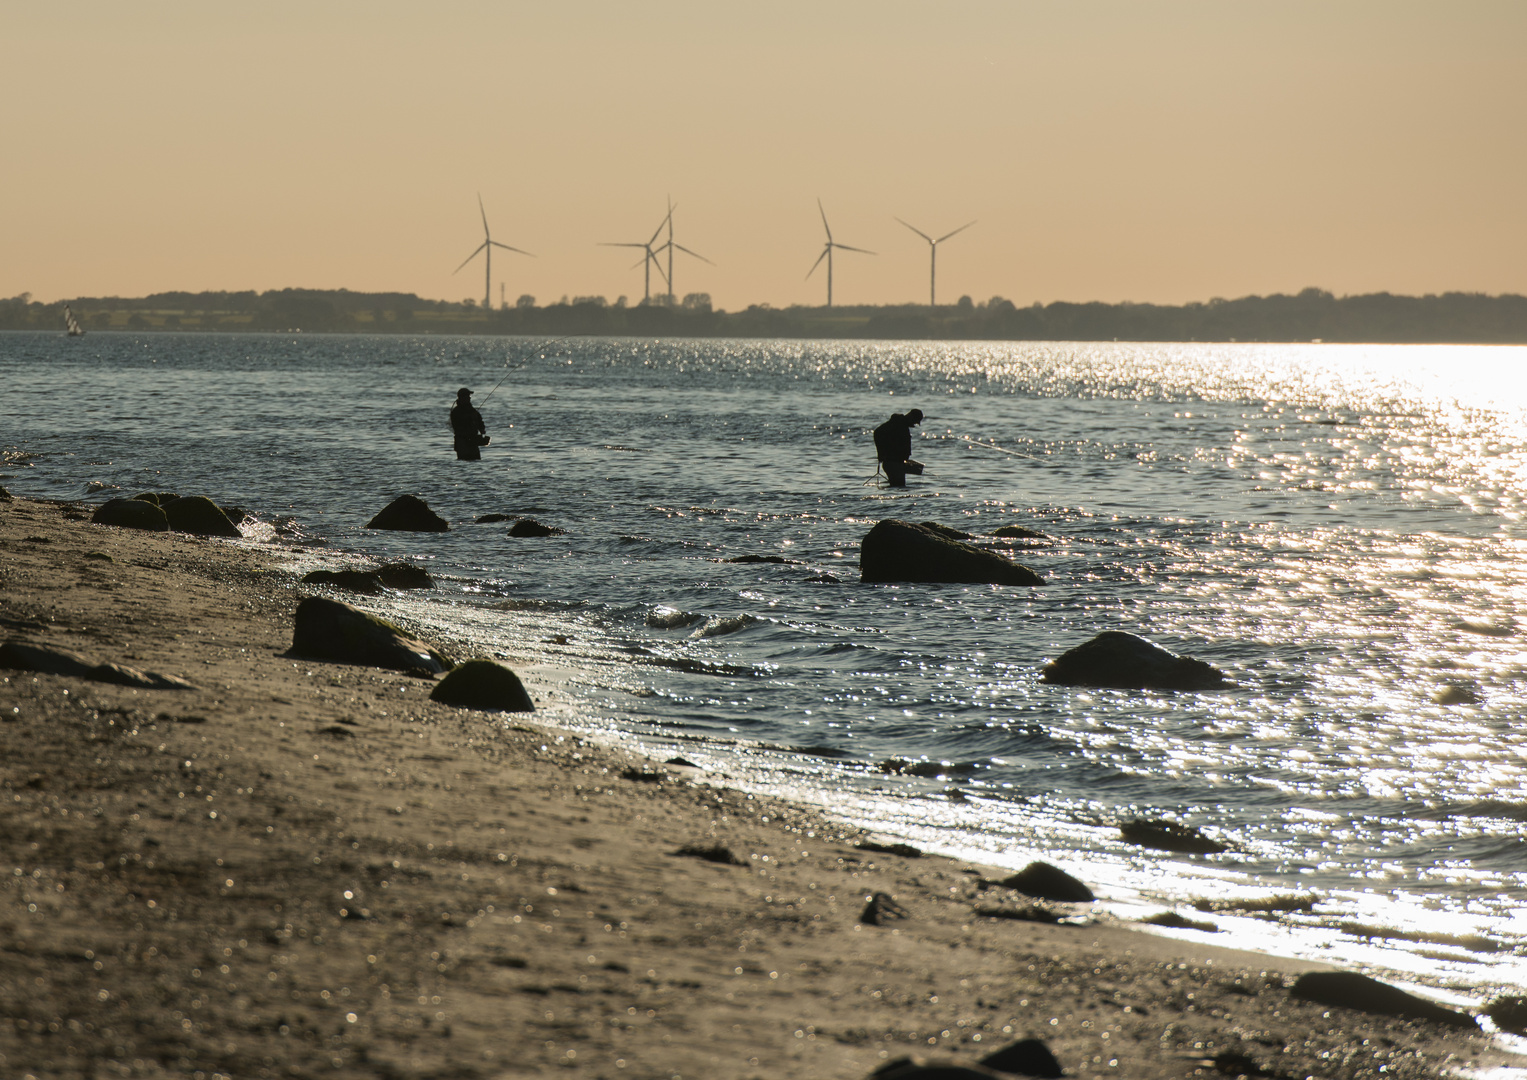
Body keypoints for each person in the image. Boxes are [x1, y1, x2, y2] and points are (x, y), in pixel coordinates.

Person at [873, 408, 924, 487]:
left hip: (897, 463)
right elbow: (877, 433)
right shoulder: (897, 423)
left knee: (898, 487)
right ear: (911, 416)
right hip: (892, 463)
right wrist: (881, 453)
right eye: (915, 421)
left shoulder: (902, 425)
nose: (914, 424)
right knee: (899, 487)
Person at [450, 387, 488, 460]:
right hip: (462, 443)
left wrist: (482, 429)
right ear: (462, 397)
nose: (469, 398)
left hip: (473, 442)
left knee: (476, 461)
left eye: (469, 396)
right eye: (468, 396)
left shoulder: (472, 410)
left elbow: (480, 421)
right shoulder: (456, 412)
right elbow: (457, 426)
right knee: (463, 461)